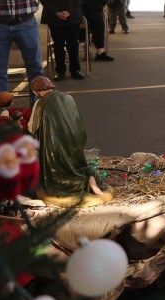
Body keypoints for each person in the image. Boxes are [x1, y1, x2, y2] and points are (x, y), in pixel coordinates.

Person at [28, 76, 110, 205]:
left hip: (55, 150)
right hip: (74, 145)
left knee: (54, 180)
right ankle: (91, 174)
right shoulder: (68, 98)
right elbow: (78, 123)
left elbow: (31, 128)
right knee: (77, 168)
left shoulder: (40, 104)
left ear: (36, 91)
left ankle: (85, 182)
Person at [40, 0, 84, 81]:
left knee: (73, 45)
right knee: (58, 45)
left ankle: (75, 70)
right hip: (54, 17)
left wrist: (69, 11)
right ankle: (60, 71)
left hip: (72, 16)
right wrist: (56, 12)